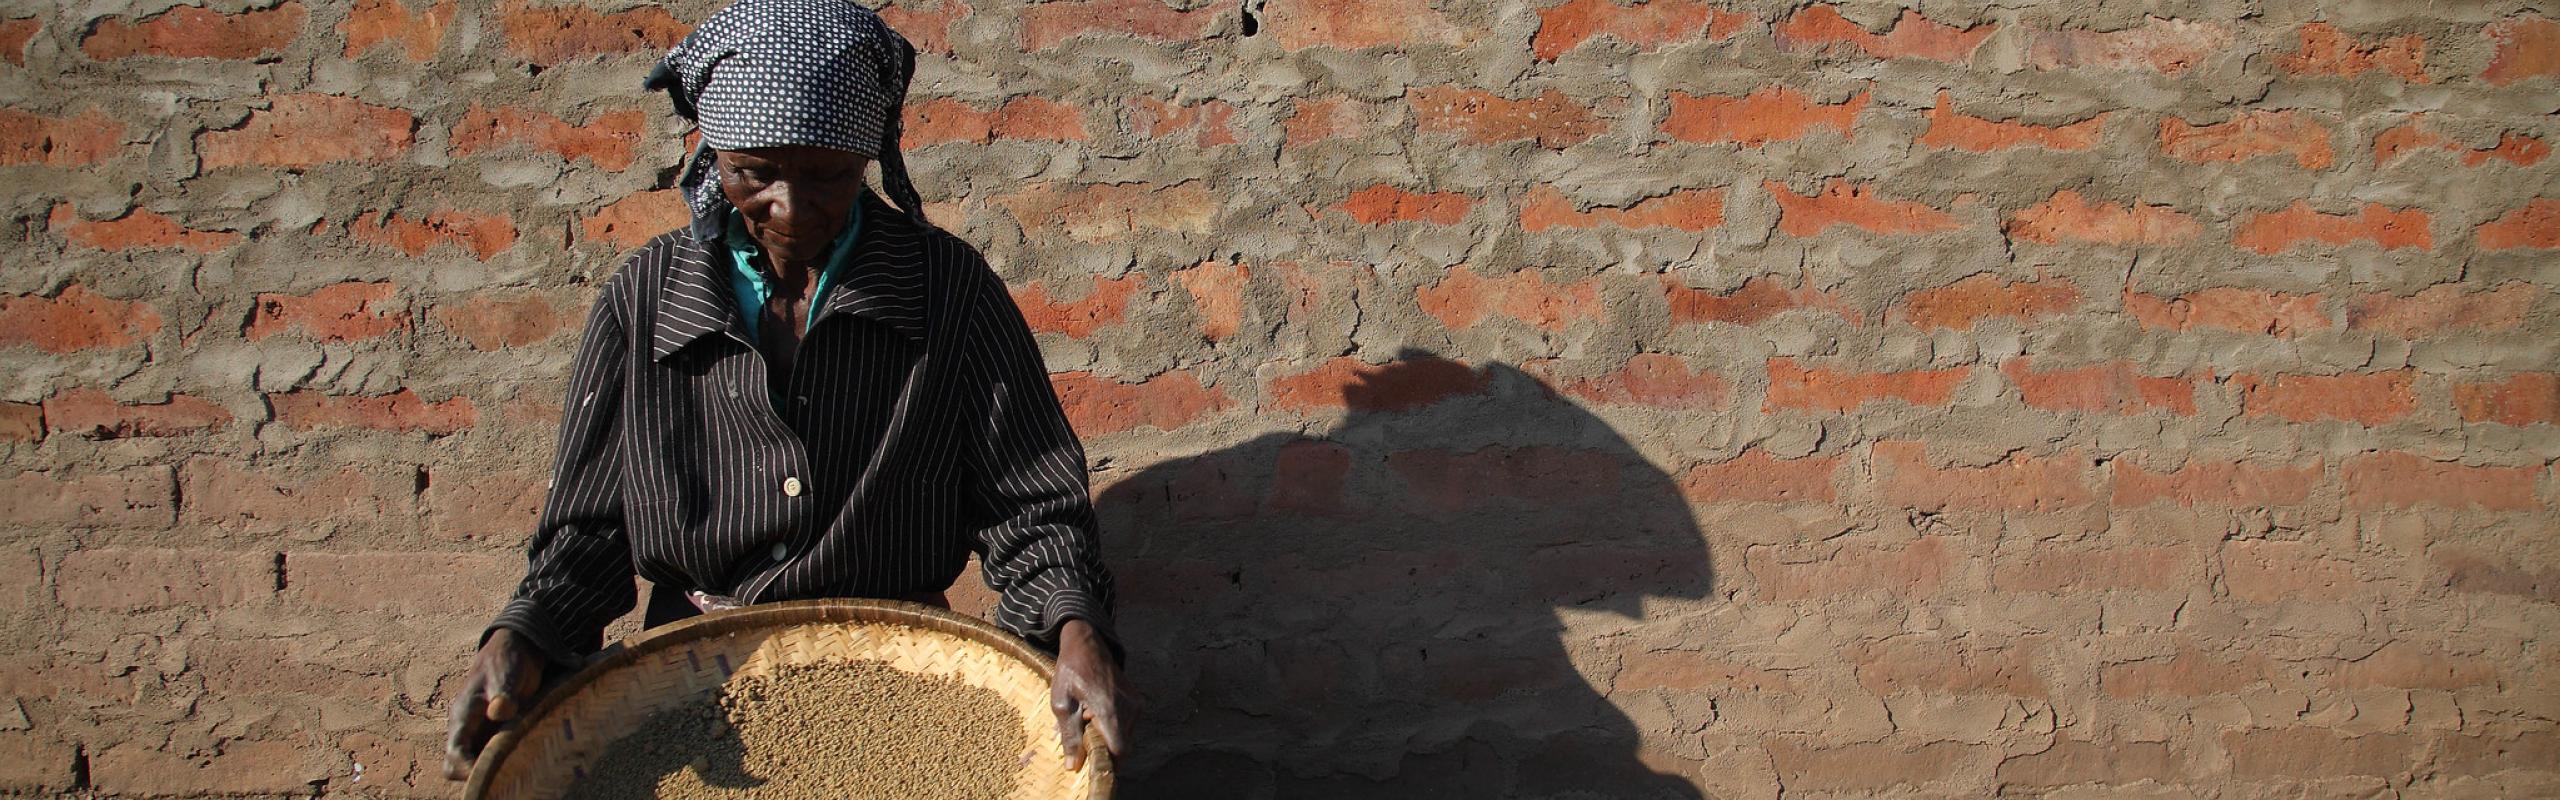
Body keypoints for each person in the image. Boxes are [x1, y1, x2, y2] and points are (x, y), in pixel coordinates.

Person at [440, 0, 1129, 780]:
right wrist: (524, 634)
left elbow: (1029, 506)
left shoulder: (945, 287)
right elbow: (591, 528)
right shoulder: (646, 296)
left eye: (828, 174)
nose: (792, 208)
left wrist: (1078, 630)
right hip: (688, 696)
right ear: (712, 155)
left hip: (900, 695)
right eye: (754, 173)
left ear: (868, 156)